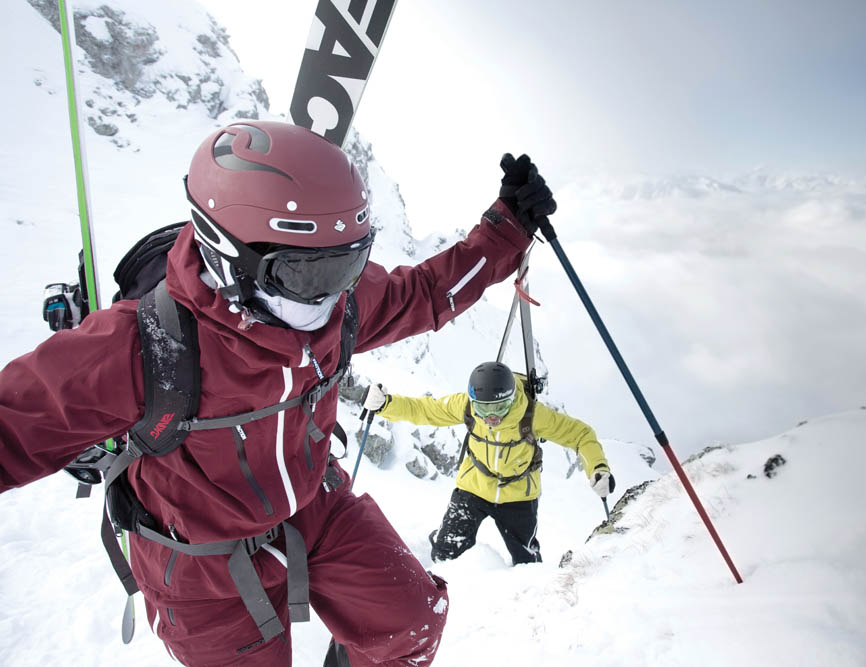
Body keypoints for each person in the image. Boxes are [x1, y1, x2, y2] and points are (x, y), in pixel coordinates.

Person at [0, 121, 558, 666]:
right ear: (227, 256)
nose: (333, 294)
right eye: (306, 274)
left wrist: (507, 229)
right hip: (199, 562)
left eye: (349, 263)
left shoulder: (333, 304)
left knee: (412, 621)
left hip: (312, 503)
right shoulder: (145, 346)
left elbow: (424, 293)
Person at [361, 361, 615, 565]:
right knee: (446, 552)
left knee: (527, 565)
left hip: (518, 496)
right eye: (483, 409)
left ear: (512, 398)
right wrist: (385, 404)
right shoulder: (467, 406)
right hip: (474, 487)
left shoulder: (532, 415)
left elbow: (580, 435)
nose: (491, 417)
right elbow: (425, 410)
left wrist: (598, 468)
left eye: (500, 407)